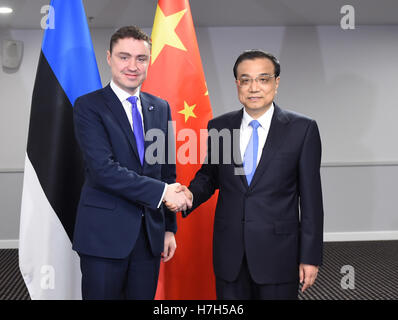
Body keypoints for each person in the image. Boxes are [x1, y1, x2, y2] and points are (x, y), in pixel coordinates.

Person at [167, 50, 324, 299]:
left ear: (276, 82)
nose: (254, 87)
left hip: (278, 255)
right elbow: (210, 176)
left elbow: (312, 200)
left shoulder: (302, 129)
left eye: (263, 79)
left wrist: (310, 257)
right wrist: (189, 195)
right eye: (246, 79)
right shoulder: (220, 126)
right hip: (230, 255)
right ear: (237, 84)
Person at [72, 26, 191, 300]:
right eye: (124, 57)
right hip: (103, 236)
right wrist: (162, 193)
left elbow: (166, 171)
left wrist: (169, 228)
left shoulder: (160, 107)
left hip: (149, 237)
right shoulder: (89, 106)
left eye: (141, 58)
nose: (132, 66)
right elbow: (103, 170)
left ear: (149, 61)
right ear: (109, 58)